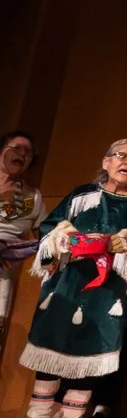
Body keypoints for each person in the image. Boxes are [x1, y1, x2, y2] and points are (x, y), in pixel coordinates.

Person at [17, 138, 127, 418]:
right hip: (70, 279)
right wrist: (64, 237)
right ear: (106, 162)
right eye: (120, 155)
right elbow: (49, 228)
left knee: (96, 343)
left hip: (112, 287)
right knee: (53, 339)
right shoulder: (82, 195)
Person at [0, 130, 47, 341]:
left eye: (27, 152)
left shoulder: (32, 197)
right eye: (16, 148)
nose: (22, 153)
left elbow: (48, 238)